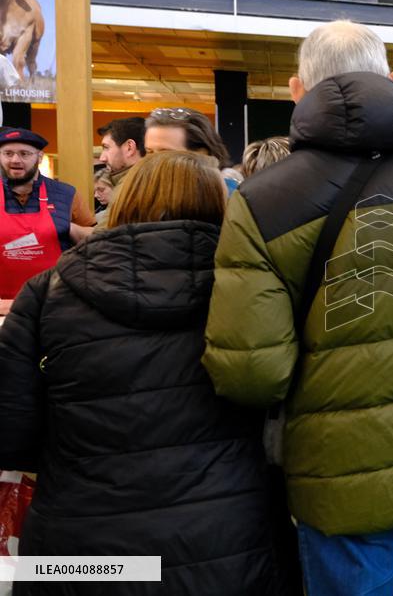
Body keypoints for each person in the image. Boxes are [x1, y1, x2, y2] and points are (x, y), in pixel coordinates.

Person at [201, 20, 393, 596]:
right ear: (387, 79)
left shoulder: (262, 201)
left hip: (336, 470)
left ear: (299, 89)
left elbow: (253, 372)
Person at [0, 151, 286, 594]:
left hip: (82, 551)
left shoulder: (47, 292)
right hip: (222, 541)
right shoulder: (251, 292)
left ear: (125, 200)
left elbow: (10, 436)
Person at [0, 127, 95, 316]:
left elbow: (95, 241)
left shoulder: (67, 194)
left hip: (54, 305)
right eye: (8, 153)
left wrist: (70, 228)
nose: (15, 160)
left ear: (40, 157)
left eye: (24, 154)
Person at [144, 107, 239, 194]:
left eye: (165, 153)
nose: (152, 162)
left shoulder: (229, 199)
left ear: (202, 155)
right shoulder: (145, 194)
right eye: (149, 152)